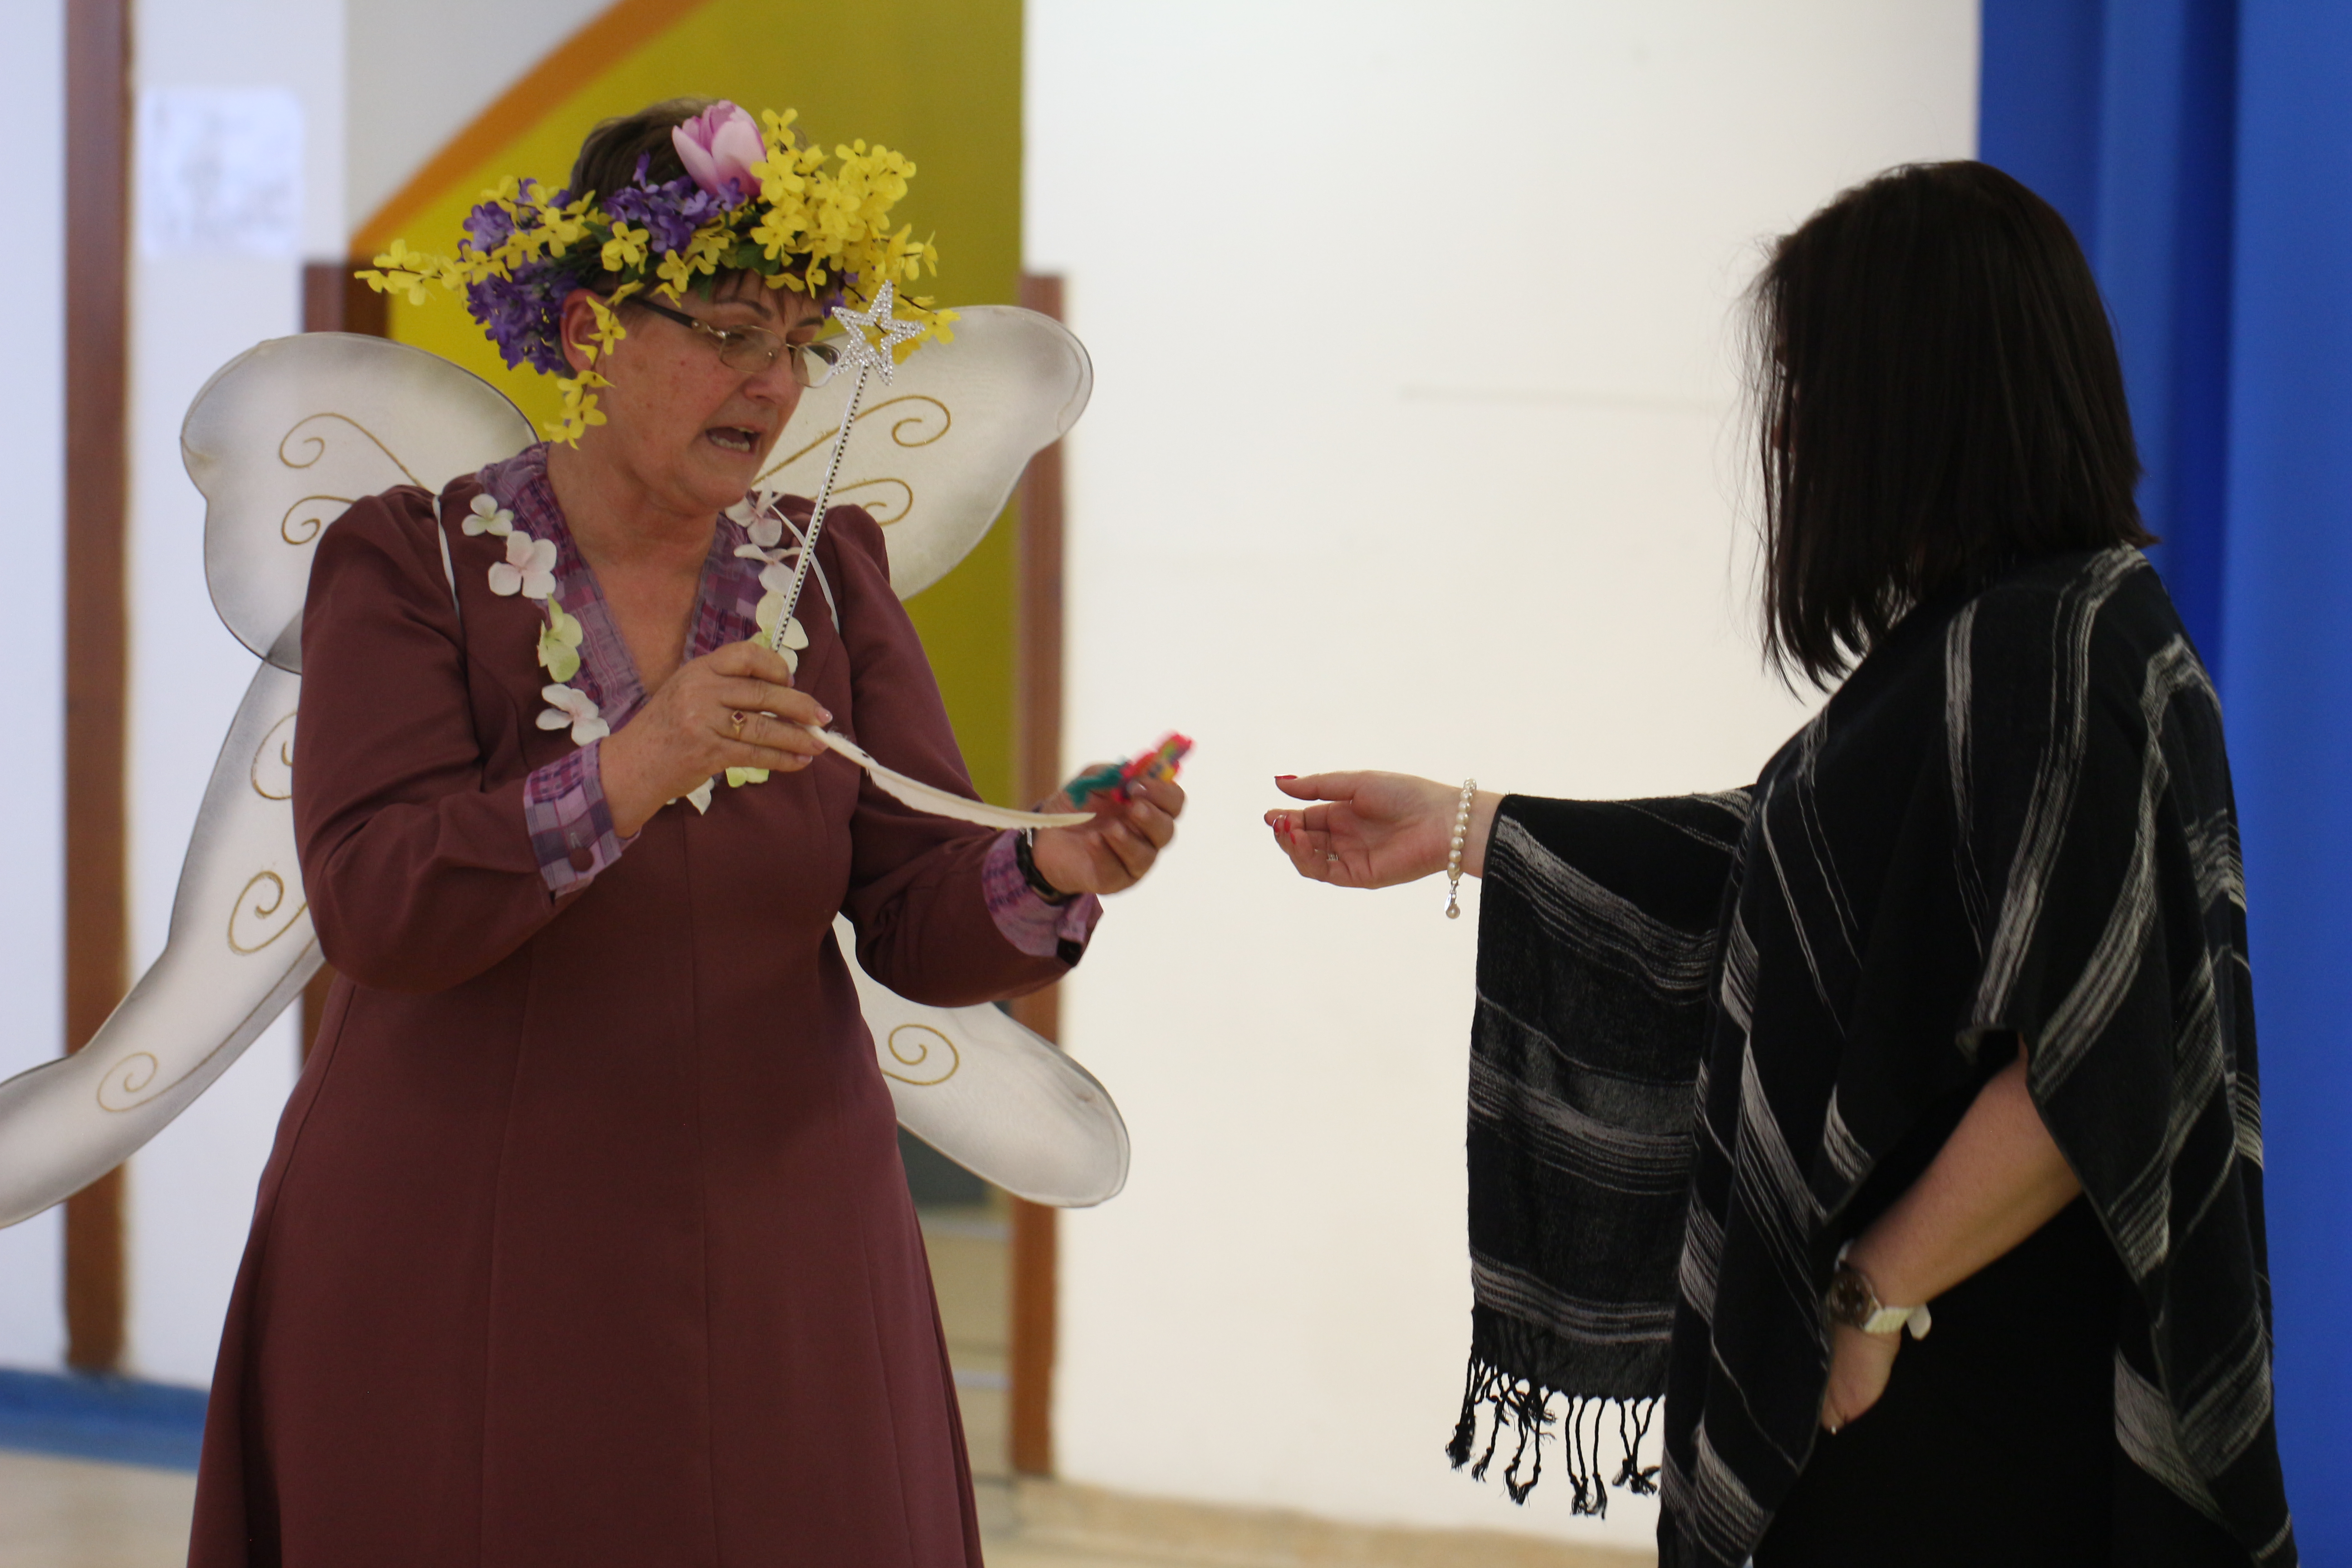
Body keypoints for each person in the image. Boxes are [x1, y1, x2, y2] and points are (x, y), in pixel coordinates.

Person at [189, 100, 1181, 1566]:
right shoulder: (411, 564)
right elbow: (377, 907)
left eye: (799, 343)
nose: (772, 383)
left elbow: (914, 913)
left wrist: (1048, 865)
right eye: (727, 333)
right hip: (464, 1231)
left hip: (782, 1247)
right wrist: (635, 765)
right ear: (590, 334)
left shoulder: (827, 577)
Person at [1264, 163, 2293, 1567]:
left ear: (1918, 389)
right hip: (1930, 1370)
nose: (1793, 427)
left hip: (1977, 1397)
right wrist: (1468, 825)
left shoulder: (2048, 652)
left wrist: (1873, 1294)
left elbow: (2095, 1066)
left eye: (1816, 381)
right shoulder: (2001, 633)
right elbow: (1798, 874)